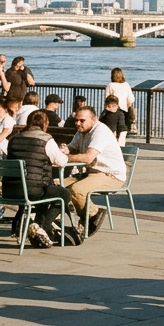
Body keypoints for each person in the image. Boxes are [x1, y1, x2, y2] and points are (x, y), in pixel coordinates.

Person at [2, 111, 71, 248]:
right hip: (33, 190)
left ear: (28, 122)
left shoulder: (14, 139)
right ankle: (43, 227)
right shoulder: (46, 140)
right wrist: (63, 153)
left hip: (10, 190)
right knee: (64, 194)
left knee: (39, 191)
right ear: (45, 124)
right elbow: (62, 161)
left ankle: (28, 228)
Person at [62, 106, 129, 236]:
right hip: (91, 173)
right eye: (76, 120)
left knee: (77, 191)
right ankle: (52, 223)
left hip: (110, 174)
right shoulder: (81, 131)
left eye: (82, 120)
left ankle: (93, 215)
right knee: (56, 186)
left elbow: (88, 158)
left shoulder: (100, 132)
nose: (78, 123)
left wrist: (65, 158)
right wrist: (65, 150)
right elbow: (72, 147)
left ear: (94, 120)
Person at [105, 68, 136, 144]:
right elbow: (131, 99)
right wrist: (127, 104)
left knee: (111, 131)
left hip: (112, 111)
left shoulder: (110, 85)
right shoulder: (126, 85)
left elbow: (107, 99)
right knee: (122, 130)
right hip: (124, 110)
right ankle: (121, 145)